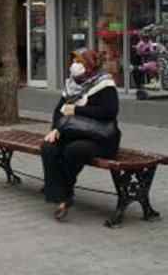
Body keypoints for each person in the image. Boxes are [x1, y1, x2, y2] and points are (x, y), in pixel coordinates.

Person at [41, 48, 120, 221]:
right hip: (73, 132)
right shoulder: (72, 85)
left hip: (101, 138)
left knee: (74, 150)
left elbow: (109, 112)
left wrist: (77, 109)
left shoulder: (104, 84)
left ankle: (63, 195)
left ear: (90, 64)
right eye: (73, 61)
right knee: (48, 147)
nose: (74, 65)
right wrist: (55, 129)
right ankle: (59, 194)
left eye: (79, 62)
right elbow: (59, 111)